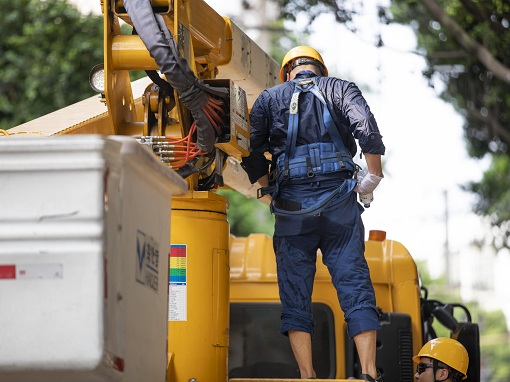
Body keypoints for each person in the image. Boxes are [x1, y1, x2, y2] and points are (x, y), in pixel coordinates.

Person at [241, 46, 385, 381]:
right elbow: (366, 127)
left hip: (292, 211)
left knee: (295, 295)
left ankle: (307, 376)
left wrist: (271, 189)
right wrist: (372, 177)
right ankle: (368, 372)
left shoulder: (268, 99)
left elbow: (252, 153)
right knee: (355, 286)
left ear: (287, 72)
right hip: (340, 206)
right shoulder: (341, 88)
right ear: (320, 68)